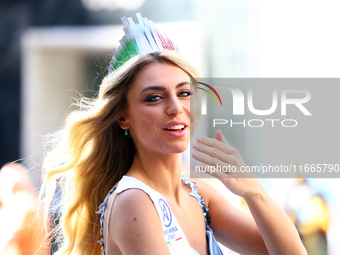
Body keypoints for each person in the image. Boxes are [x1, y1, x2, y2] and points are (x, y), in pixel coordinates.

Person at [41, 14, 307, 255]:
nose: (175, 108)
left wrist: (253, 190)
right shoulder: (133, 200)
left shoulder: (198, 192)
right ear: (123, 117)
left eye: (183, 93)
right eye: (154, 98)